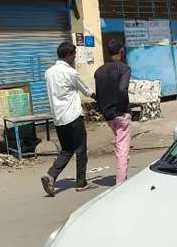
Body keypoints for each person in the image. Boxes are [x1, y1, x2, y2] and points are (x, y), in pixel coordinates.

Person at [41, 41, 93, 196]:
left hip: (58, 118)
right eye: (74, 55)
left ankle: (51, 175)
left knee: (67, 149)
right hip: (73, 116)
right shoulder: (71, 73)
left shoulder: (49, 72)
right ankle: (81, 183)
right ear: (68, 55)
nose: (74, 58)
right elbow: (86, 90)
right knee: (81, 149)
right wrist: (100, 97)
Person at [94, 39, 132, 185]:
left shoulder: (99, 71)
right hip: (120, 114)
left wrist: (104, 111)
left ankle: (122, 176)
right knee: (122, 148)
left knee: (119, 144)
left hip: (108, 115)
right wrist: (123, 110)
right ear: (121, 52)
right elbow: (123, 89)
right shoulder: (124, 69)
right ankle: (121, 181)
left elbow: (99, 94)